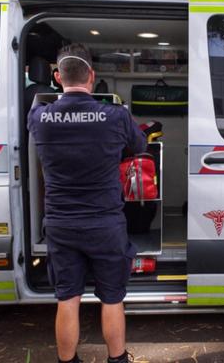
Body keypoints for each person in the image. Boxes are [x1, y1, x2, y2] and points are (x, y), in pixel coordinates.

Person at [27, 43, 146, 363]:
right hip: (105, 224)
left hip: (61, 225)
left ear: (57, 76)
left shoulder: (40, 116)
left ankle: (68, 361)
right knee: (112, 298)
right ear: (92, 75)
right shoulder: (116, 115)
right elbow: (140, 144)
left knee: (67, 298)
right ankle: (117, 359)